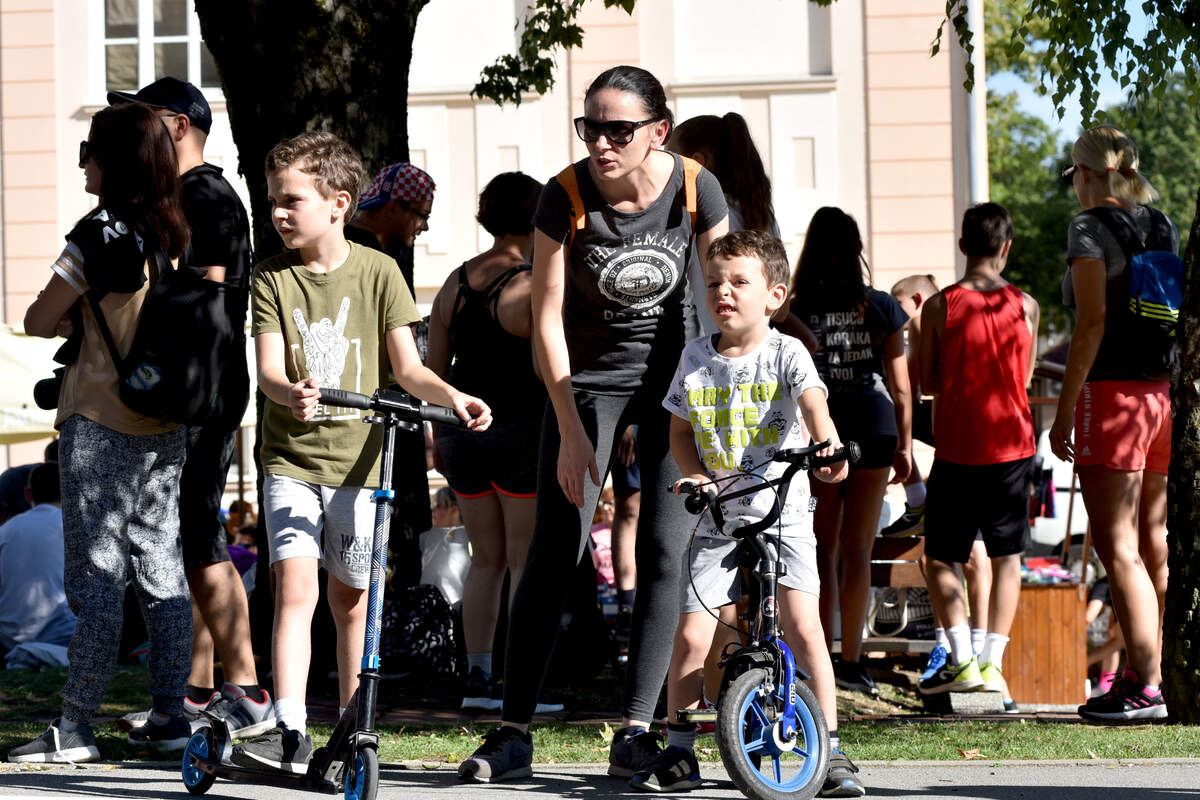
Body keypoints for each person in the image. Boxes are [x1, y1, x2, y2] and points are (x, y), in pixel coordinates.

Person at [457, 65, 729, 783]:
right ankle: (512, 732)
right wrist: (571, 429)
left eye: (619, 130)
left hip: (674, 386)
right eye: (590, 128)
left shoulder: (697, 188)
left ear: (658, 131)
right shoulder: (565, 195)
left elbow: (724, 294)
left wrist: (720, 399)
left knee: (667, 555)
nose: (602, 143)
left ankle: (637, 731)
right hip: (588, 386)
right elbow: (545, 319)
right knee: (555, 550)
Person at [230, 132, 491, 774]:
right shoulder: (271, 277)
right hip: (291, 462)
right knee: (295, 590)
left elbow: (408, 368)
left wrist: (454, 395)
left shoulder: (379, 272)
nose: (278, 212)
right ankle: (289, 725)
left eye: (291, 200)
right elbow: (268, 370)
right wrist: (288, 393)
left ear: (338, 203)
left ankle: (352, 727)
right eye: (273, 200)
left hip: (360, 465)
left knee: (352, 602)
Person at [636, 230, 862, 796]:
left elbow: (814, 406)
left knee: (804, 628)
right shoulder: (695, 356)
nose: (724, 292)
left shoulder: (787, 352)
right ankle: (679, 750)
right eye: (714, 282)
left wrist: (828, 448)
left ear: (775, 296)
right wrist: (696, 473)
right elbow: (680, 430)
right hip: (718, 515)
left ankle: (831, 748)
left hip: (782, 512)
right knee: (692, 636)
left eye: (740, 282)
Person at [9, 103, 194, 762]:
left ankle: (75, 726)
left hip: (99, 417)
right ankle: (171, 715)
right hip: (166, 419)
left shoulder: (96, 233)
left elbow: (37, 319)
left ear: (114, 161)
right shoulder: (176, 230)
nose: (83, 161)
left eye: (89, 149)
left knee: (96, 579)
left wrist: (74, 319)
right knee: (163, 573)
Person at [107, 76, 270, 738]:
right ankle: (195, 693)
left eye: (144, 119)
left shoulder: (206, 197)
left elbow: (205, 297)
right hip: (198, 389)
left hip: (202, 393)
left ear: (177, 126)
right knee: (185, 537)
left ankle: (248, 690)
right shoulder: (190, 196)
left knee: (198, 535)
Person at [1049, 125, 1175, 722]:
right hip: (1162, 396)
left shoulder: (1087, 228)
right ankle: (1156, 672)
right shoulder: (1161, 224)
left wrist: (1065, 410)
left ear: (1086, 173)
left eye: (1074, 175)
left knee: (1116, 545)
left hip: (1114, 397)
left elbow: (1091, 324)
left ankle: (1145, 684)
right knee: (1152, 541)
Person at [426, 171, 546, 713]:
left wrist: (437, 436)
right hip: (519, 433)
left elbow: (433, 372)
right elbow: (549, 368)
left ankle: (477, 680)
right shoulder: (531, 284)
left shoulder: (454, 283)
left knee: (486, 561)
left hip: (461, 437)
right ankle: (520, 686)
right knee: (522, 561)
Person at [916, 203, 1039, 696]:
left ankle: (961, 659)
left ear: (963, 245)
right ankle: (992, 665)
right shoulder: (1027, 305)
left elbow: (927, 382)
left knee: (941, 557)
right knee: (1008, 557)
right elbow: (1025, 378)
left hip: (958, 448)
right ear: (1006, 247)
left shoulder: (938, 305)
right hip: (1013, 445)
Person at [789, 207, 911, 697]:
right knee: (859, 549)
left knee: (822, 548)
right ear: (857, 248)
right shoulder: (881, 306)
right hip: (875, 426)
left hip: (820, 430)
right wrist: (906, 445)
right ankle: (853, 661)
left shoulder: (795, 308)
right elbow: (901, 387)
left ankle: (818, 655)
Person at [667, 113, 817, 352]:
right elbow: (781, 310)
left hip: (702, 353)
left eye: (670, 158)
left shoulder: (691, 216)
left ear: (697, 163)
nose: (664, 168)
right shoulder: (763, 217)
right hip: (750, 355)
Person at [881, 274, 938, 537]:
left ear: (917, 299)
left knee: (889, 417)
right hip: (980, 418)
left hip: (946, 416)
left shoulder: (919, 321)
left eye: (898, 303)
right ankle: (919, 504)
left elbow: (911, 386)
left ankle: (917, 504)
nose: (894, 311)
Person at [0, 463, 75, 659]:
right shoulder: (74, 528)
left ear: (28, 494)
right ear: (69, 491)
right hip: (62, 634)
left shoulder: (5, 531)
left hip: (7, 637)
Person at [346, 161, 435, 293]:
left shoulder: (343, 239)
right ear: (392, 208)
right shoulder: (373, 259)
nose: (425, 227)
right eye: (422, 215)